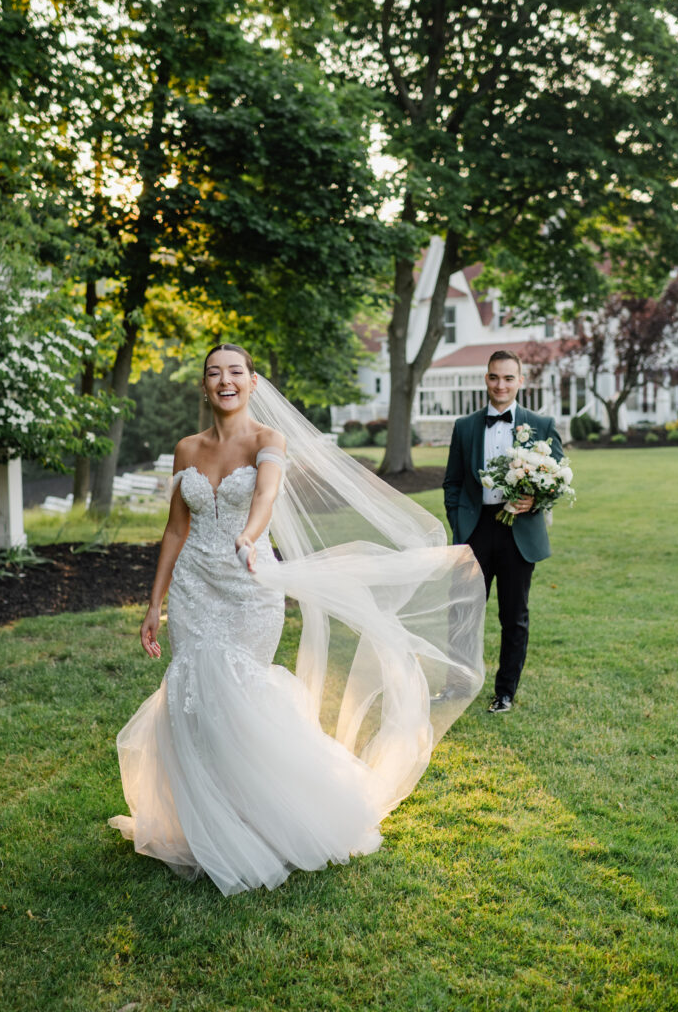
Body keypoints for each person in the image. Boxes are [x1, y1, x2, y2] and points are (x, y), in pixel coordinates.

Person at [109, 343, 487, 895]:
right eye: (214, 373)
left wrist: (249, 534)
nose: (224, 381)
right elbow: (174, 529)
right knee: (192, 693)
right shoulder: (186, 448)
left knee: (238, 694)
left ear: (253, 382)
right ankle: (204, 822)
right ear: (204, 386)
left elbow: (265, 494)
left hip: (247, 582)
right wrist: (154, 601)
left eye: (235, 372)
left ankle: (266, 818)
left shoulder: (269, 440)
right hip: (193, 588)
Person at [442, 350, 563, 713]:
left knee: (514, 616)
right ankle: (457, 687)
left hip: (518, 534)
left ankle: (505, 692)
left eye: (509, 378)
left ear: (520, 381)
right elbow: (452, 482)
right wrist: (459, 521)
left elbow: (556, 480)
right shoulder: (465, 427)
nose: (501, 385)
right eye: (495, 377)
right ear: (486, 379)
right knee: (462, 612)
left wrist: (535, 503)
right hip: (476, 530)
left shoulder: (540, 425)